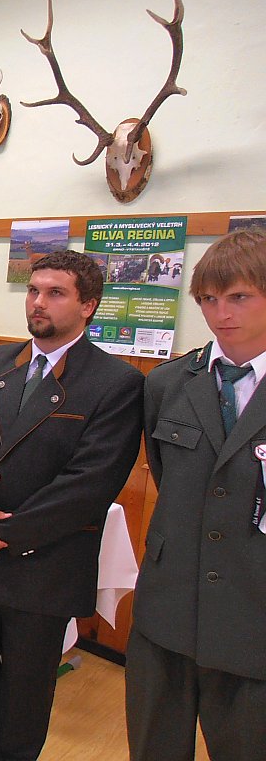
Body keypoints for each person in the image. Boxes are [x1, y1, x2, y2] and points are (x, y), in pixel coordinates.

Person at [0, 250, 144, 761]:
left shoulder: (115, 383)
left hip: (42, 566)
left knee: (23, 695)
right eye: (33, 290)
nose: (38, 302)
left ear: (88, 305)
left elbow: (89, 485)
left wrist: (5, 532)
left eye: (55, 293)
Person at [126, 229, 266, 761]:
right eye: (208, 299)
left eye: (239, 296)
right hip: (169, 608)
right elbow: (170, 478)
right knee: (155, 747)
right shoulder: (167, 383)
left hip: (254, 613)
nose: (220, 313)